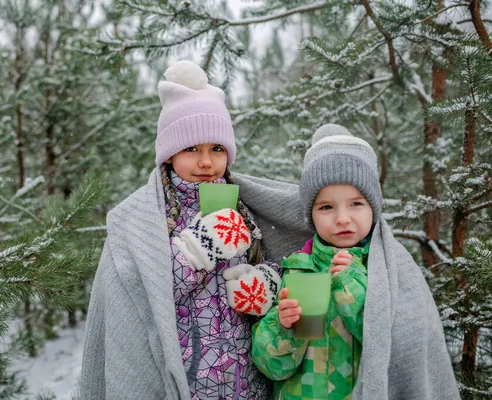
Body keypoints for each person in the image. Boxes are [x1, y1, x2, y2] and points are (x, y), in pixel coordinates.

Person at [80, 60, 312, 399]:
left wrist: (264, 284)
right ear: (169, 154)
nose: (206, 161)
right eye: (191, 149)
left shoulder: (242, 206)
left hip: (244, 378)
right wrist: (201, 246)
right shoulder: (149, 217)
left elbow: (273, 261)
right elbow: (143, 292)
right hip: (185, 380)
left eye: (216, 149)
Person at [251, 124, 460, 400]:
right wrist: (283, 328)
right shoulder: (298, 268)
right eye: (326, 207)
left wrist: (351, 282)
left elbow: (394, 346)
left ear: (373, 207)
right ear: (309, 214)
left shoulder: (387, 269)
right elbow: (274, 369)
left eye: (356, 204)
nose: (342, 218)